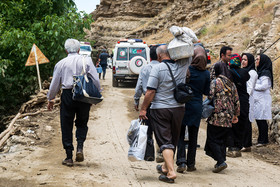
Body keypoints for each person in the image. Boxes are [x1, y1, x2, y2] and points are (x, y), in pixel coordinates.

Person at [139, 45, 191, 183]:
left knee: (165, 141)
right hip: (179, 109)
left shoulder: (157, 68)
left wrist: (143, 109)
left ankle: (171, 172)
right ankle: (165, 167)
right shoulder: (182, 66)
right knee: (173, 139)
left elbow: (150, 91)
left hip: (160, 109)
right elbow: (189, 53)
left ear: (160, 56)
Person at [47, 39, 100, 167]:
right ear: (78, 50)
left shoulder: (61, 63)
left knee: (66, 124)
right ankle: (80, 147)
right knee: (82, 122)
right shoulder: (86, 61)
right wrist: (95, 95)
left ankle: (69, 157)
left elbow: (55, 84)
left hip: (67, 95)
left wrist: (51, 99)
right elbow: (95, 79)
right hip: (83, 94)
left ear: (66, 50)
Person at [176, 45, 210, 173]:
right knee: (193, 136)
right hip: (197, 107)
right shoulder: (206, 74)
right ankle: (191, 164)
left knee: (180, 134)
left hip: (184, 105)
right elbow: (207, 91)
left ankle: (181, 161)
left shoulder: (187, 69)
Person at [204, 62, 240, 173]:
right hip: (228, 117)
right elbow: (237, 101)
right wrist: (235, 115)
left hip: (216, 116)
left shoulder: (215, 82)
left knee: (212, 139)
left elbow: (210, 95)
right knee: (222, 140)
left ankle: (220, 161)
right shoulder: (232, 84)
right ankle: (221, 160)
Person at [134, 45, 162, 162]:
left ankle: (149, 154)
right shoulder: (163, 68)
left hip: (148, 102)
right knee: (161, 129)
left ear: (150, 57)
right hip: (161, 102)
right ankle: (161, 152)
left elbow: (139, 86)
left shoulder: (145, 69)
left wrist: (136, 100)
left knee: (148, 128)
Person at [227, 54, 250, 157]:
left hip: (234, 101)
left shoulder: (229, 72)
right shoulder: (245, 72)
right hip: (244, 101)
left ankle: (232, 148)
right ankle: (239, 147)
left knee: (233, 124)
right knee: (242, 124)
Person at [253, 54, 273, 147]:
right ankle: (261, 139)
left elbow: (264, 86)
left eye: (258, 59)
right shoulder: (261, 72)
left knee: (262, 119)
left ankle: (263, 140)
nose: (256, 61)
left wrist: (253, 87)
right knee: (259, 119)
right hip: (259, 99)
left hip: (263, 100)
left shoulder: (265, 73)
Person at [241, 53, 257, 152]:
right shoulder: (245, 71)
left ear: (250, 61)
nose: (243, 61)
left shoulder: (251, 73)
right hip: (244, 99)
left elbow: (249, 88)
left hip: (247, 100)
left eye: (245, 60)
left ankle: (246, 144)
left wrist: (243, 96)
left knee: (246, 122)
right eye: (242, 59)